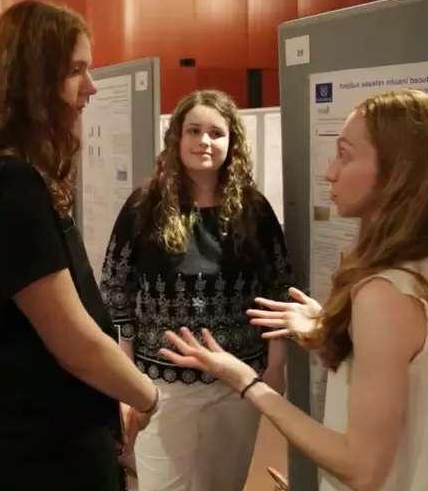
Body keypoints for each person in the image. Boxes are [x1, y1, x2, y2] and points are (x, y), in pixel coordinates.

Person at [160, 89, 428, 491]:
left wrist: (246, 381)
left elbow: (361, 470)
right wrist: (331, 328)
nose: (330, 171)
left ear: (398, 171)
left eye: (345, 155)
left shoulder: (385, 294)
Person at [0, 0, 159, 491]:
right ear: (30, 79)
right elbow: (72, 339)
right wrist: (147, 396)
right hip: (49, 442)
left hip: (15, 433)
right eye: (76, 71)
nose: (90, 87)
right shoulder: (7, 182)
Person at [101, 89, 292, 491]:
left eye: (216, 133)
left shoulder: (254, 211)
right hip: (162, 382)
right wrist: (126, 377)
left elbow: (278, 288)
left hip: (238, 380)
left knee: (226, 483)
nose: (204, 141)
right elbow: (117, 291)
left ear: (231, 142)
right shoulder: (144, 207)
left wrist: (276, 366)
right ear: (177, 138)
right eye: (194, 131)